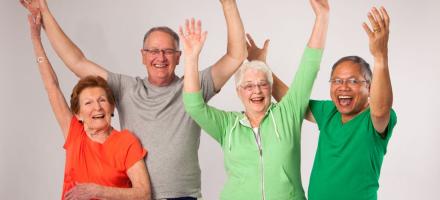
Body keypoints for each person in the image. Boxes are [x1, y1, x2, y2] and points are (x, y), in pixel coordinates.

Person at [21, 0, 247, 199]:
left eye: (168, 51)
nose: (160, 57)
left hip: (183, 196)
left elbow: (236, 55)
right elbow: (77, 61)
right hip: (136, 195)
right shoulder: (126, 88)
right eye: (153, 51)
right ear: (143, 56)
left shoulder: (194, 86)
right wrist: (45, 13)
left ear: (179, 57)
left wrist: (228, 4)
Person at [181, 0, 329, 199]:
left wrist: (322, 18)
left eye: (263, 84)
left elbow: (308, 68)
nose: (256, 91)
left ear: (270, 87)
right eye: (249, 86)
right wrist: (191, 58)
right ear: (239, 91)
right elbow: (194, 106)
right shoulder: (227, 126)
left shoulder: (287, 113)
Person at [255, 6, 396, 200]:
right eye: (337, 81)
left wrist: (380, 58)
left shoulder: (373, 120)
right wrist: (263, 67)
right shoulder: (329, 111)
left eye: (353, 81)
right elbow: (292, 102)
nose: (343, 86)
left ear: (370, 88)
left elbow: (381, 110)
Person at [25, 12, 151, 200]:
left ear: (112, 107)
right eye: (88, 103)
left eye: (102, 100)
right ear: (78, 114)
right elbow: (51, 86)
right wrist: (36, 38)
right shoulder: (74, 133)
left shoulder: (126, 142)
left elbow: (144, 194)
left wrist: (99, 191)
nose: (97, 108)